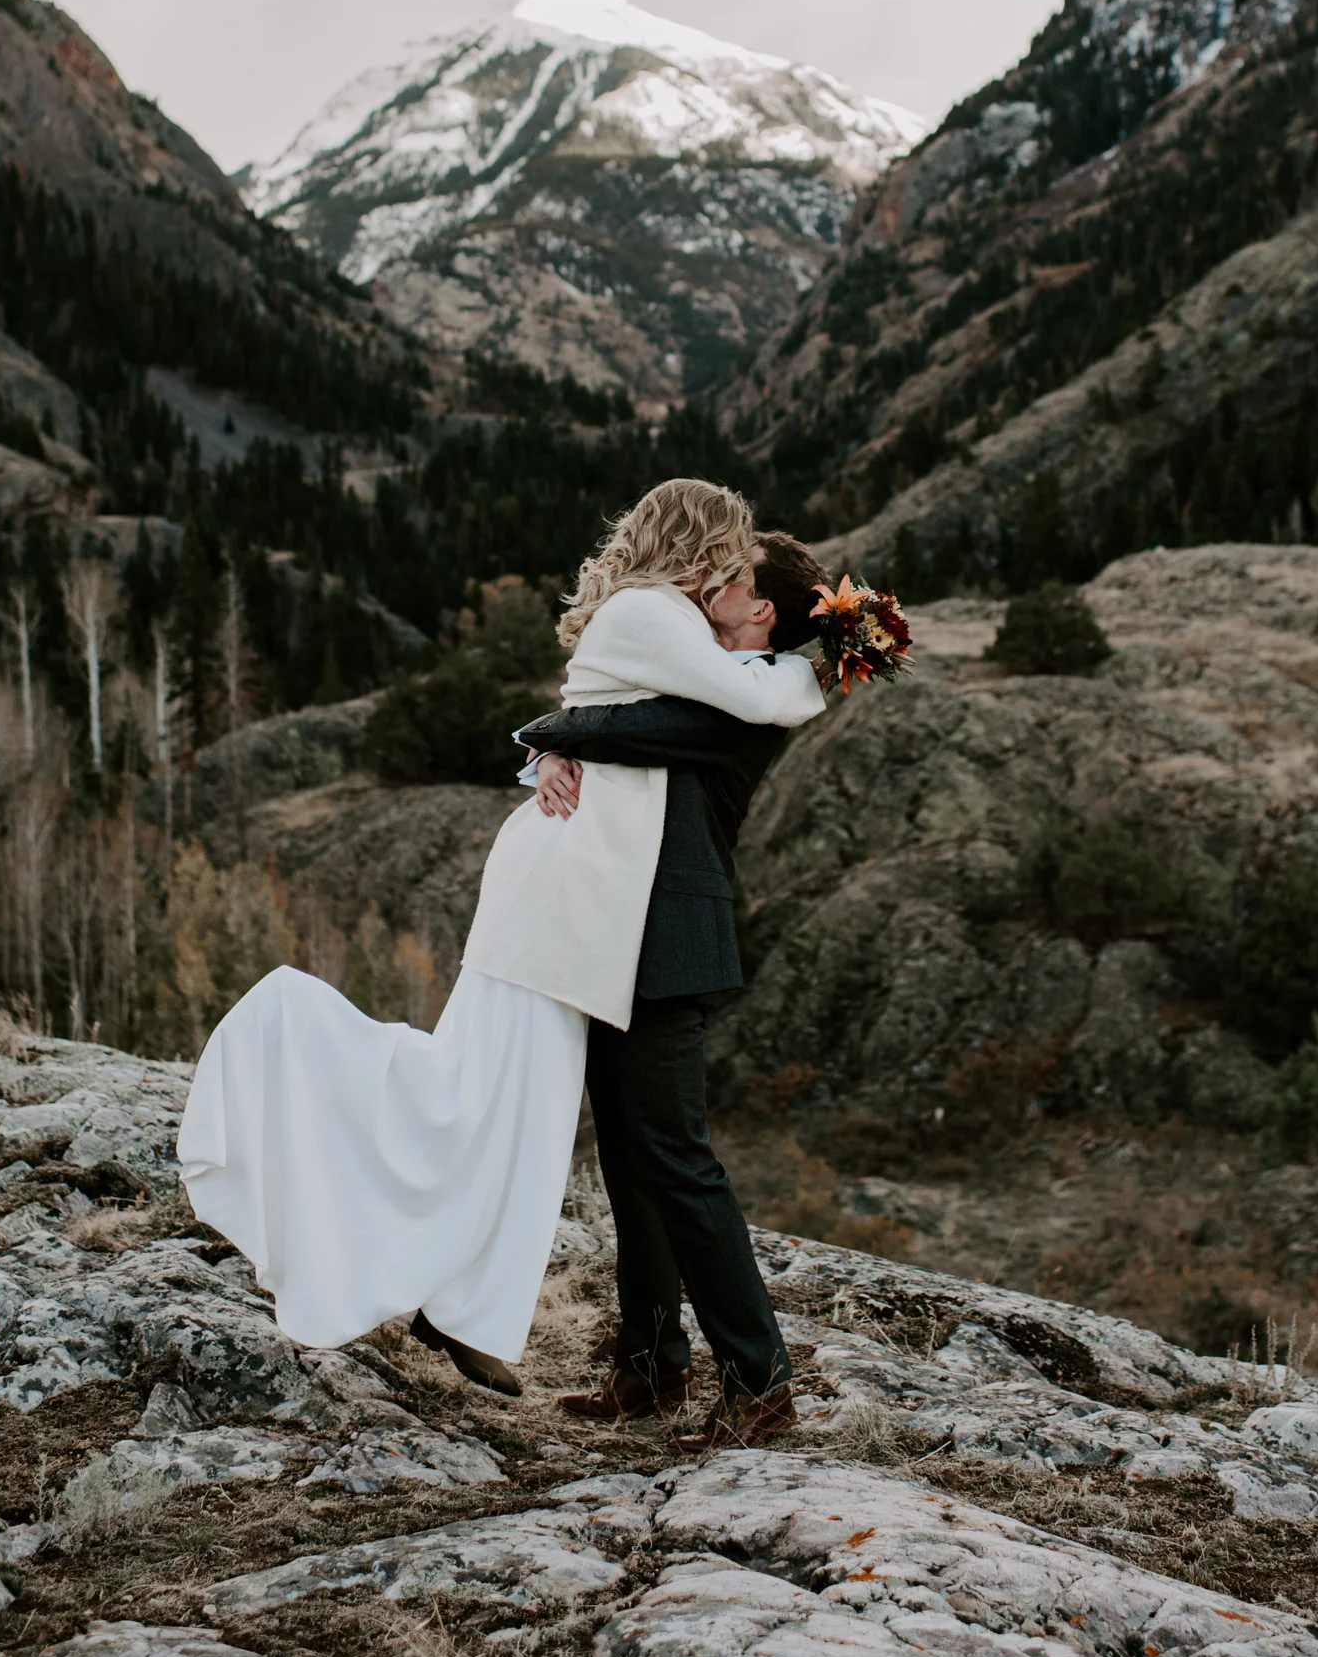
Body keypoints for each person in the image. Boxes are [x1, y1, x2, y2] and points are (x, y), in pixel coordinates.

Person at [175, 481, 824, 1394]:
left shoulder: (694, 649)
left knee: (571, 1132)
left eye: (743, 568)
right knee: (499, 1104)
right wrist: (559, 740)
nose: (730, 566)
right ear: (698, 550)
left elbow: (660, 724)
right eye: (728, 549)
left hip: (613, 919)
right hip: (571, 910)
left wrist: (558, 738)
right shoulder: (656, 619)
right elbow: (701, 709)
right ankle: (624, 1351)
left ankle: (597, 1348)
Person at [515, 531, 829, 1449]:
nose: (704, 589)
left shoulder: (756, 698)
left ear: (759, 611)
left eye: (723, 582)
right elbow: (616, 725)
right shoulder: (716, 679)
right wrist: (548, 750)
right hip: (621, 936)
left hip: (668, 941)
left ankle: (759, 1382)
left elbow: (626, 726)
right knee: (631, 1161)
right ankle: (650, 1366)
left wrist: (543, 734)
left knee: (678, 1161)